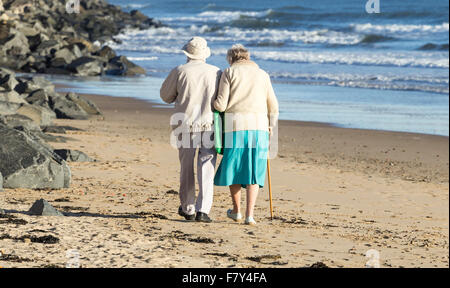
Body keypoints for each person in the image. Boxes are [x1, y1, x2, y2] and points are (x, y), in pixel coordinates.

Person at [213, 44, 279, 225]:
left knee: (234, 169)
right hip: (259, 128)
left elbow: (221, 105)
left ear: (231, 58)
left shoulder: (229, 72)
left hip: (235, 127)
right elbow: (273, 106)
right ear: (248, 58)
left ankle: (237, 211)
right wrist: (271, 126)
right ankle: (250, 215)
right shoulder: (263, 75)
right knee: (254, 171)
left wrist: (210, 103)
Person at [160, 37, 221, 223]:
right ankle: (203, 209)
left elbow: (165, 96)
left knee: (186, 167)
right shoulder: (216, 72)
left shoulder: (180, 71)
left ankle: (188, 208)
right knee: (207, 165)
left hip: (185, 124)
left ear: (187, 53)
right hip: (208, 124)